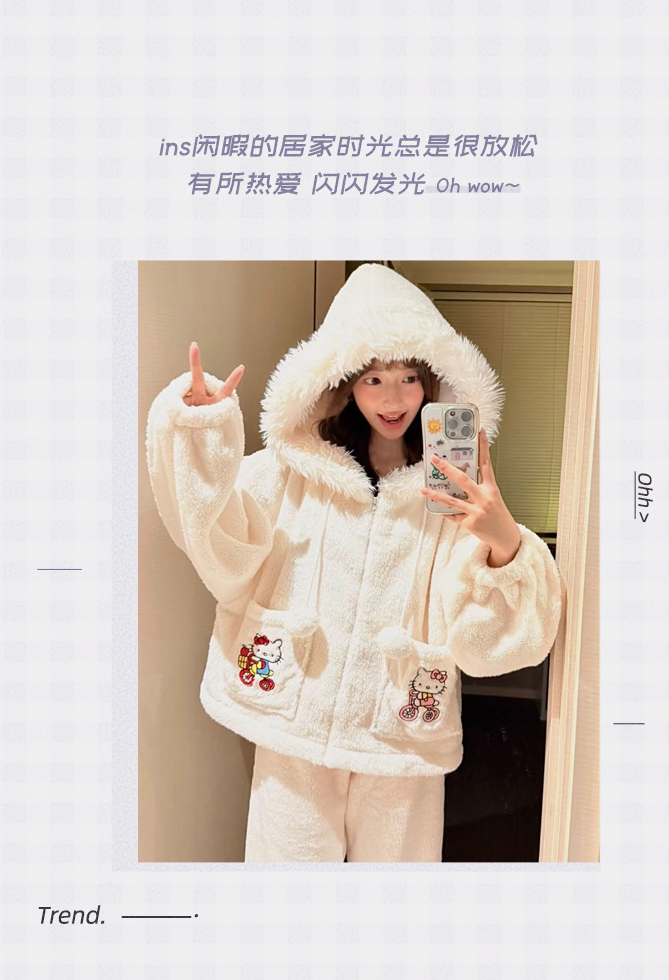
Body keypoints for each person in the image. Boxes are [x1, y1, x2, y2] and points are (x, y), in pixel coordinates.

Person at [146, 262, 562, 862]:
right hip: (295, 721)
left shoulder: (452, 490)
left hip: (402, 735)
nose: (394, 399)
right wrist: (201, 435)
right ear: (344, 383)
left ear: (433, 381)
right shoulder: (291, 471)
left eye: (409, 377)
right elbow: (222, 547)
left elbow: (489, 643)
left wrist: (502, 542)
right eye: (373, 379)